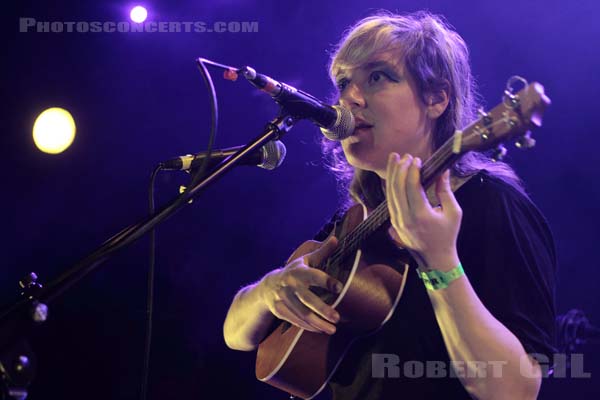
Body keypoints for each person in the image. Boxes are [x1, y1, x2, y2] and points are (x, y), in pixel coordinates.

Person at [223, 10, 557, 400]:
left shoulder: (492, 204)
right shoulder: (354, 221)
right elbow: (235, 333)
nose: (349, 98)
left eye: (377, 77)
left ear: (436, 98)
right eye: (343, 82)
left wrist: (439, 262)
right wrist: (269, 291)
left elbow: (516, 389)